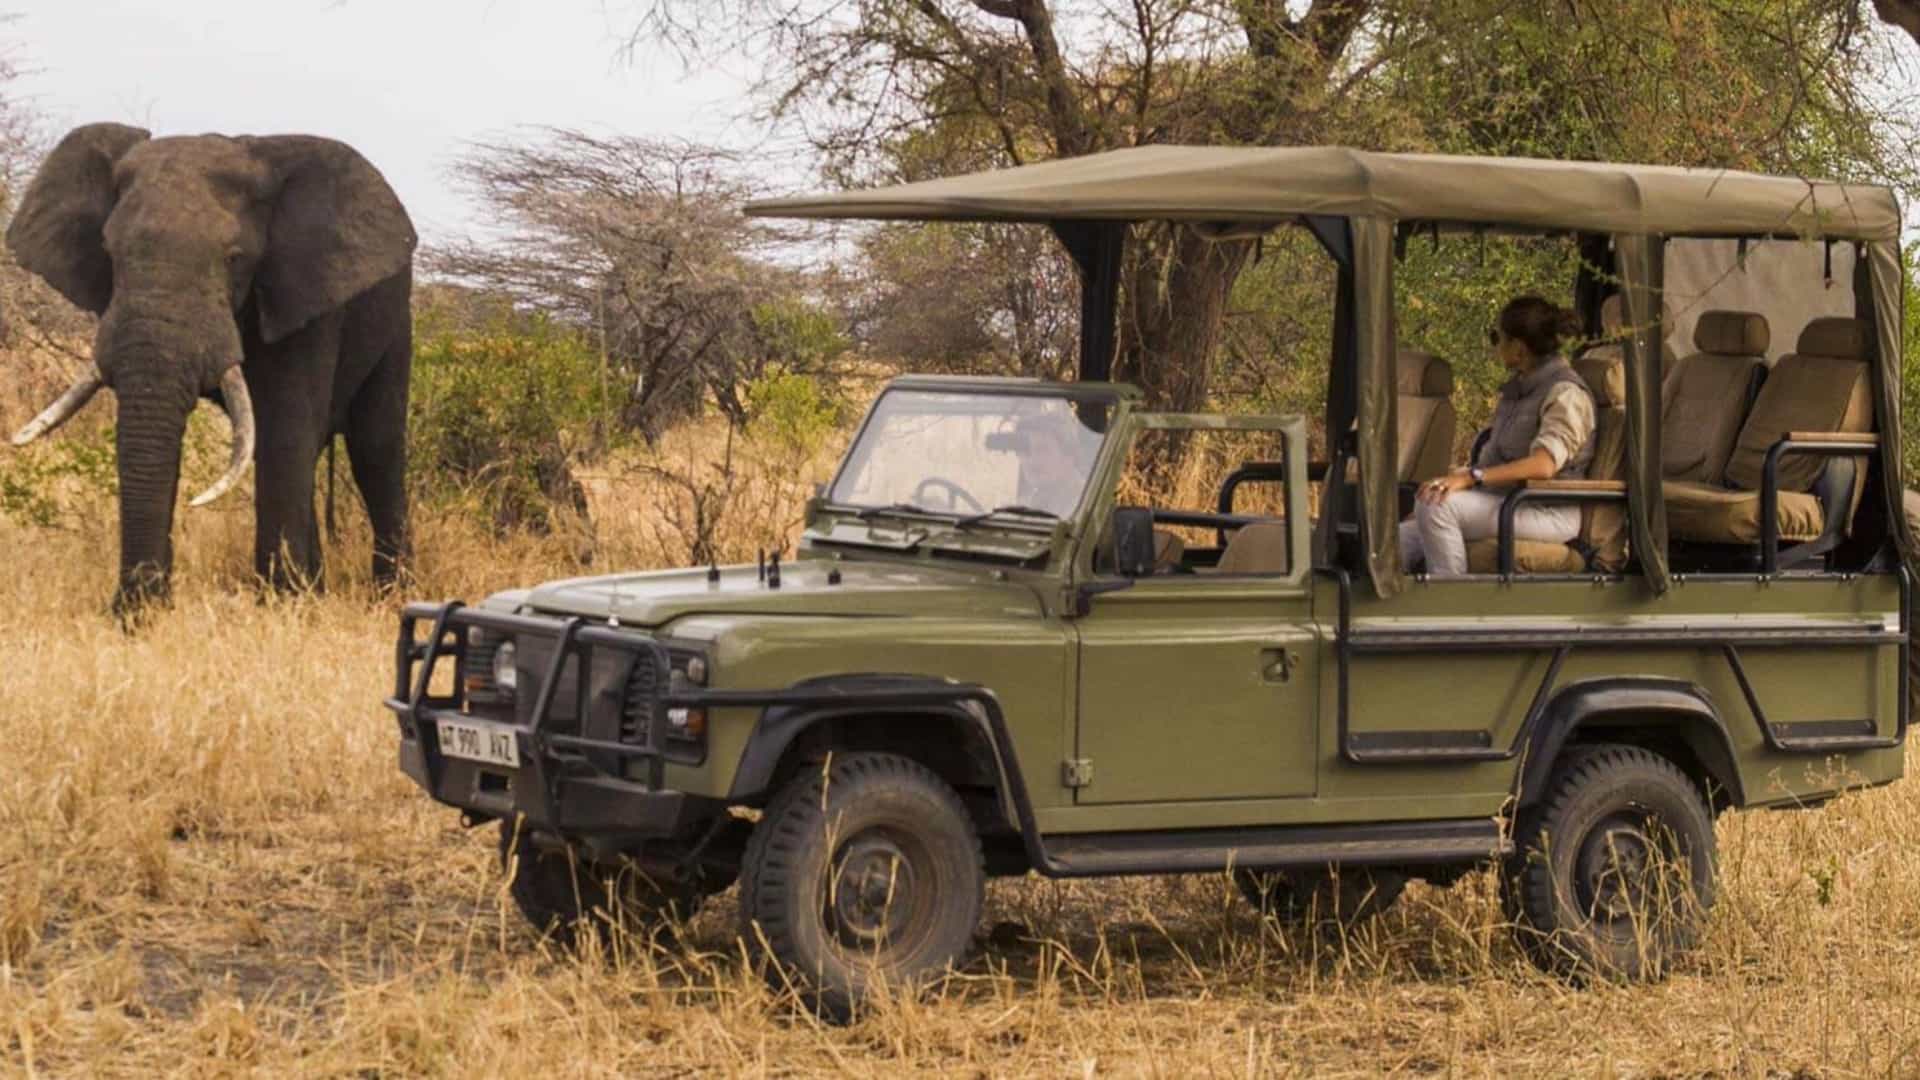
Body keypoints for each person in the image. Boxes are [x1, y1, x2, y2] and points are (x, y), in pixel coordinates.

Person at [1400, 295, 1597, 577]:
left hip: (1546, 510)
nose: (1494, 346)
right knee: (1401, 538)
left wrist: (1472, 478)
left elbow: (1543, 465)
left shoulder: (1566, 393)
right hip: (1508, 500)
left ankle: (1450, 606)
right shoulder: (1517, 392)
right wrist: (1450, 483)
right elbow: (1493, 458)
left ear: (1517, 348)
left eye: (1497, 337)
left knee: (1438, 509)